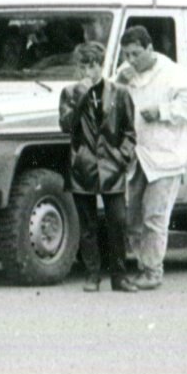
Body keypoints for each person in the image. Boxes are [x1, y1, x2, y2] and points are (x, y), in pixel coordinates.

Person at [115, 26, 187, 291]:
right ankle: (143, 263)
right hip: (137, 155)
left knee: (154, 216)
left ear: (150, 49)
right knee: (132, 217)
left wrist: (162, 111)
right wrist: (119, 83)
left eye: (136, 54)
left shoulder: (174, 73)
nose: (131, 60)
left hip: (166, 157)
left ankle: (152, 270)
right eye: (126, 54)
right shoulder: (125, 72)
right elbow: (109, 100)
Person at [58, 40, 137, 292]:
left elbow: (130, 132)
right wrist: (81, 96)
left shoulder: (120, 93)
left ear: (101, 66)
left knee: (118, 222)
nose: (88, 71)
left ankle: (119, 276)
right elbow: (66, 125)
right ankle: (92, 275)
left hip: (112, 166)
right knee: (87, 225)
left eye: (93, 65)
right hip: (83, 166)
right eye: (83, 66)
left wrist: (122, 157)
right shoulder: (69, 93)